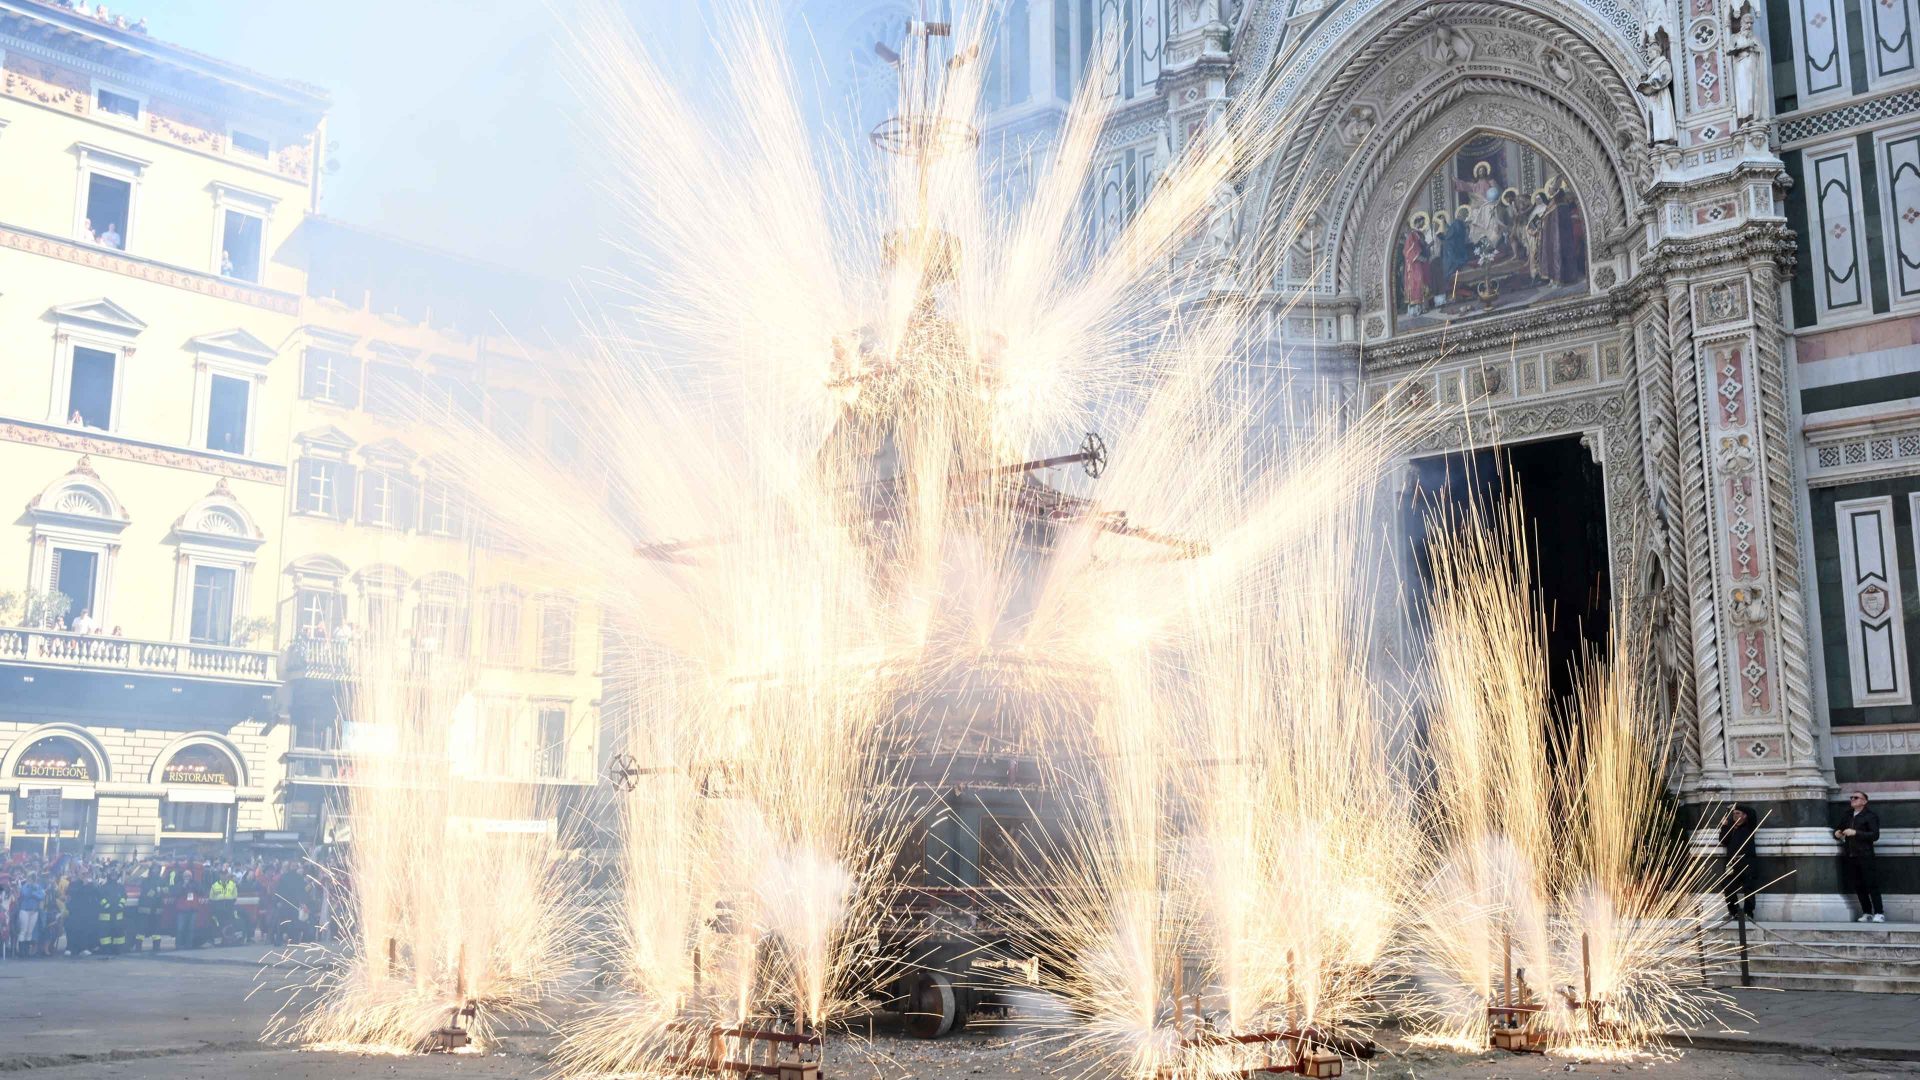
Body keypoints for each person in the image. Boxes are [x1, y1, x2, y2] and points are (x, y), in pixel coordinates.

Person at [1835, 791, 1885, 922]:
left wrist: (1855, 832)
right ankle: (1867, 912)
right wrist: (1837, 833)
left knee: (1871, 884)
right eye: (1851, 797)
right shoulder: (1848, 815)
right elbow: (1839, 828)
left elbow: (1875, 835)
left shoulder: (1870, 816)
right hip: (1851, 855)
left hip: (1865, 855)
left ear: (1864, 801)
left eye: (1856, 798)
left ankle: (1879, 912)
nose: (1852, 799)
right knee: (1858, 885)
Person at [1719, 804, 1759, 918]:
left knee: (1749, 887)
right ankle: (1734, 912)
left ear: (1745, 816)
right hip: (1732, 863)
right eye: (1734, 814)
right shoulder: (1731, 828)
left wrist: (1736, 805)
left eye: (1738, 813)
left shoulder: (1749, 826)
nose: (1735, 816)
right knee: (1727, 886)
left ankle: (1748, 913)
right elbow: (1723, 840)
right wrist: (1725, 826)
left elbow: (1751, 811)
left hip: (1747, 862)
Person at [16, 875, 44, 957]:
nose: (32, 880)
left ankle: (26, 952)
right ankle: (21, 952)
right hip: (24, 910)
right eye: (31, 878)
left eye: (33, 878)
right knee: (23, 930)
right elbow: (25, 894)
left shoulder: (38, 887)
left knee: (30, 931)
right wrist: (32, 890)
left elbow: (41, 896)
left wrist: (34, 893)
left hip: (34, 911)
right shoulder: (25, 886)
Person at [209, 868, 237, 944]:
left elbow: (235, 896)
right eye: (222, 874)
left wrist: (230, 904)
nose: (223, 876)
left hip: (229, 906)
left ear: (227, 875)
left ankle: (230, 940)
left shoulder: (232, 884)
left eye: (225, 874)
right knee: (220, 924)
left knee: (229, 924)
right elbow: (211, 898)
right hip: (219, 907)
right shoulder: (214, 885)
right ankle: (222, 941)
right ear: (219, 875)